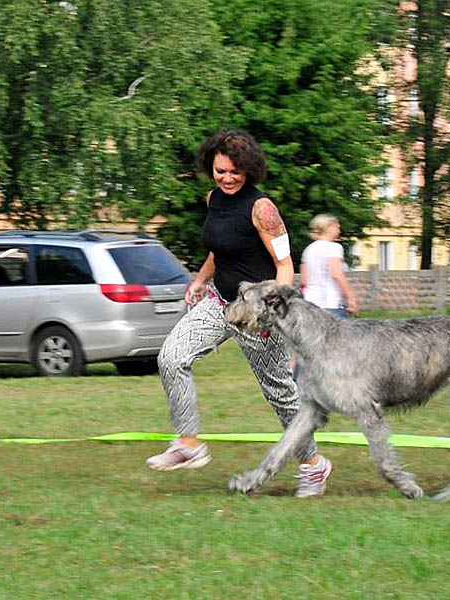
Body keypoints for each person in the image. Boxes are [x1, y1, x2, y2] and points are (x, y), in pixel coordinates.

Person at [146, 129, 332, 498]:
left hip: (257, 311)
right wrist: (200, 280)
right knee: (171, 357)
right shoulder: (213, 199)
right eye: (220, 171)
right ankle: (188, 442)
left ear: (249, 169)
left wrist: (270, 312)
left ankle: (313, 465)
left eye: (235, 172)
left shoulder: (262, 209)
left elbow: (284, 265)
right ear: (210, 168)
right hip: (219, 301)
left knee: (279, 392)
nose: (227, 178)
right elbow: (221, 249)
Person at [300, 214, 358, 318]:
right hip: (330, 303)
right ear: (328, 228)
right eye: (337, 227)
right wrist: (350, 297)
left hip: (309, 303)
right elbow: (336, 274)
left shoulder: (308, 250)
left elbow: (304, 281)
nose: (339, 231)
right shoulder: (334, 248)